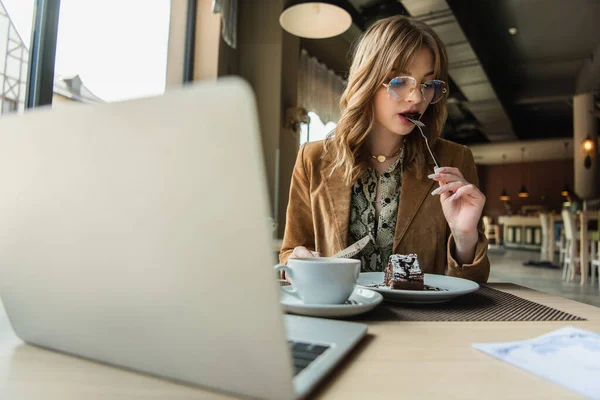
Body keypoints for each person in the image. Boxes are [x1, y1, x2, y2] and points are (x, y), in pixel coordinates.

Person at [280, 16, 489, 283]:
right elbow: (290, 252)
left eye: (427, 84)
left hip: (423, 322)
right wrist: (298, 260)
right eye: (400, 82)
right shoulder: (313, 160)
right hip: (340, 316)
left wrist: (464, 236)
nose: (416, 98)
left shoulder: (454, 160)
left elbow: (475, 283)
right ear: (367, 79)